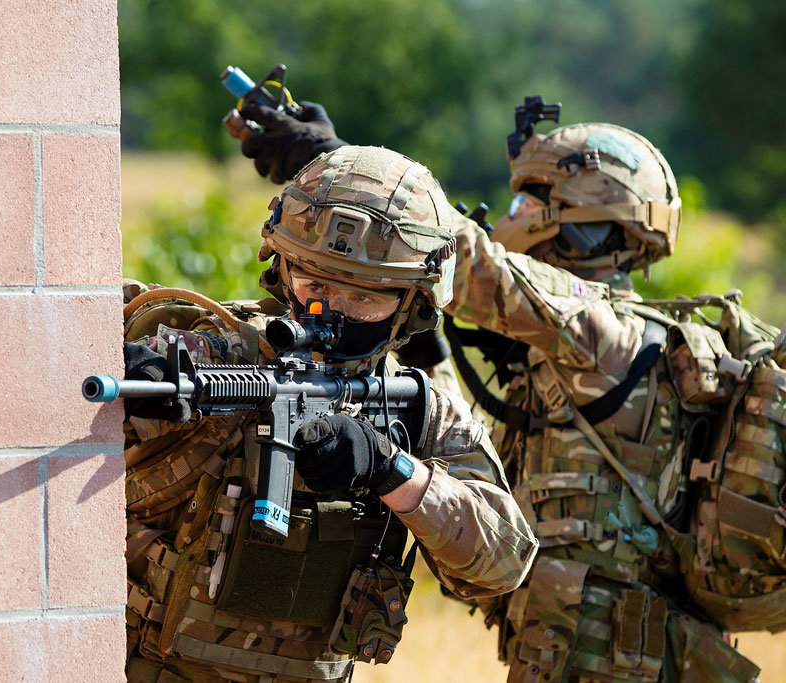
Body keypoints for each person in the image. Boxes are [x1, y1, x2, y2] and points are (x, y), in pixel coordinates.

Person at [234, 104, 764, 680]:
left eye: (527, 204)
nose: (513, 218)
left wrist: (329, 171)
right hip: (582, 642)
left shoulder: (604, 332)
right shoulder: (591, 346)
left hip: (621, 652)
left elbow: (466, 264)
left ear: (582, 218)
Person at [121, 145, 538, 682]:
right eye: (314, 285)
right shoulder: (220, 349)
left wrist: (389, 469)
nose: (330, 311)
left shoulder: (417, 409)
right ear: (281, 269)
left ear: (413, 304)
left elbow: (505, 562)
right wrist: (136, 372)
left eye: (363, 298)